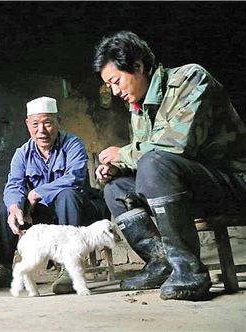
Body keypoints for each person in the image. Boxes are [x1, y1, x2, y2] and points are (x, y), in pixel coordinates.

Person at [92, 31, 246, 301]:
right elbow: (146, 159)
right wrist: (119, 169)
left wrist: (122, 153)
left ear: (138, 67)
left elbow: (174, 148)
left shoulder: (190, 79)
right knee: (115, 188)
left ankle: (189, 272)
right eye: (110, 86)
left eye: (116, 82)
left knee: (155, 163)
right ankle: (160, 262)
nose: (115, 92)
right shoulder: (138, 108)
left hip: (231, 183)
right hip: (184, 188)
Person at [0, 96, 108, 293]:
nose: (41, 131)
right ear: (28, 125)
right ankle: (4, 267)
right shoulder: (22, 154)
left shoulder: (73, 144)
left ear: (57, 122)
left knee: (67, 194)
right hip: (45, 216)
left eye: (48, 123)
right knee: (9, 207)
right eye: (35, 124)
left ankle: (69, 270)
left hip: (80, 212)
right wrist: (15, 207)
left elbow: (75, 178)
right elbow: (14, 184)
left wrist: (36, 193)